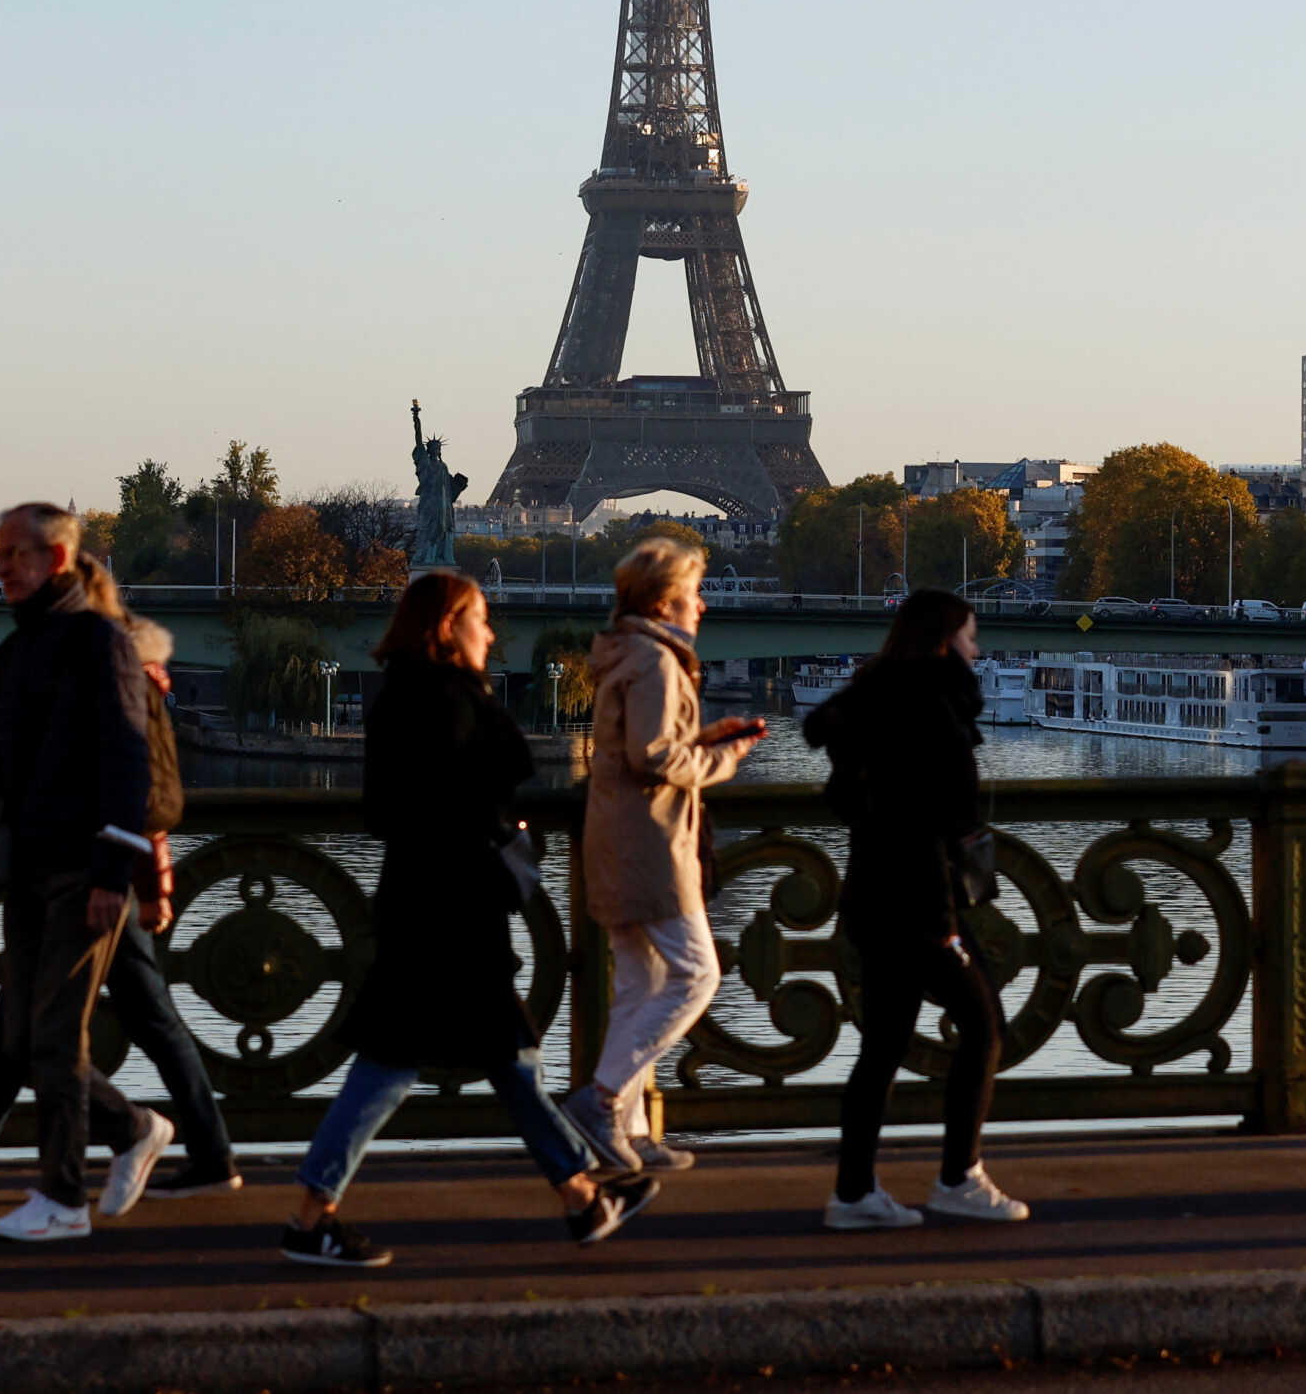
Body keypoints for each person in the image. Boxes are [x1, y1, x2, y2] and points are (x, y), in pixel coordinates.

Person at [281, 572, 656, 1269]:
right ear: (450, 624)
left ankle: (582, 1196)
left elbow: (385, 810)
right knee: (466, 1058)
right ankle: (313, 1217)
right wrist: (484, 694)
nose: (491, 633)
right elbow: (508, 760)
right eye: (481, 620)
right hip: (455, 910)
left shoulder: (398, 693)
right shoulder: (450, 697)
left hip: (421, 903)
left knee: (465, 1058)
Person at [0, 614, 241, 1212]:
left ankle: (127, 1145)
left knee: (42, 1027)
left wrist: (152, 888)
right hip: (92, 878)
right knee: (54, 1023)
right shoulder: (110, 681)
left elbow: (142, 798)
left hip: (99, 881)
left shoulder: (123, 687)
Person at [0, 502, 154, 1242]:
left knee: (56, 1038)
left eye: (12, 555)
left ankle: (62, 1200)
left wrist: (113, 873)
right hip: (25, 870)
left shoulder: (102, 643)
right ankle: (133, 1129)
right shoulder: (13, 653)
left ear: (55, 560)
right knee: (24, 1038)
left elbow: (129, 764)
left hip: (83, 870)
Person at [801, 588, 1028, 1230]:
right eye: (971, 637)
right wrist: (948, 920)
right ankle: (959, 1175)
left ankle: (853, 1191)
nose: (977, 650)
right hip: (923, 902)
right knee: (984, 1026)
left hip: (871, 894)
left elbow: (849, 801)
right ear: (945, 638)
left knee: (883, 1048)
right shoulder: (932, 707)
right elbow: (944, 821)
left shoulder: (871, 699)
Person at [562, 538, 764, 1172]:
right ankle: (600, 1100)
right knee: (697, 975)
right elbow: (653, 758)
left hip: (616, 834)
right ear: (665, 601)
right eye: (694, 594)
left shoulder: (628, 652)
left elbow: (640, 746)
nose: (703, 605)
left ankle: (629, 1130)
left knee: (638, 986)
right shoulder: (656, 661)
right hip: (650, 842)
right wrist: (723, 759)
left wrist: (704, 737)